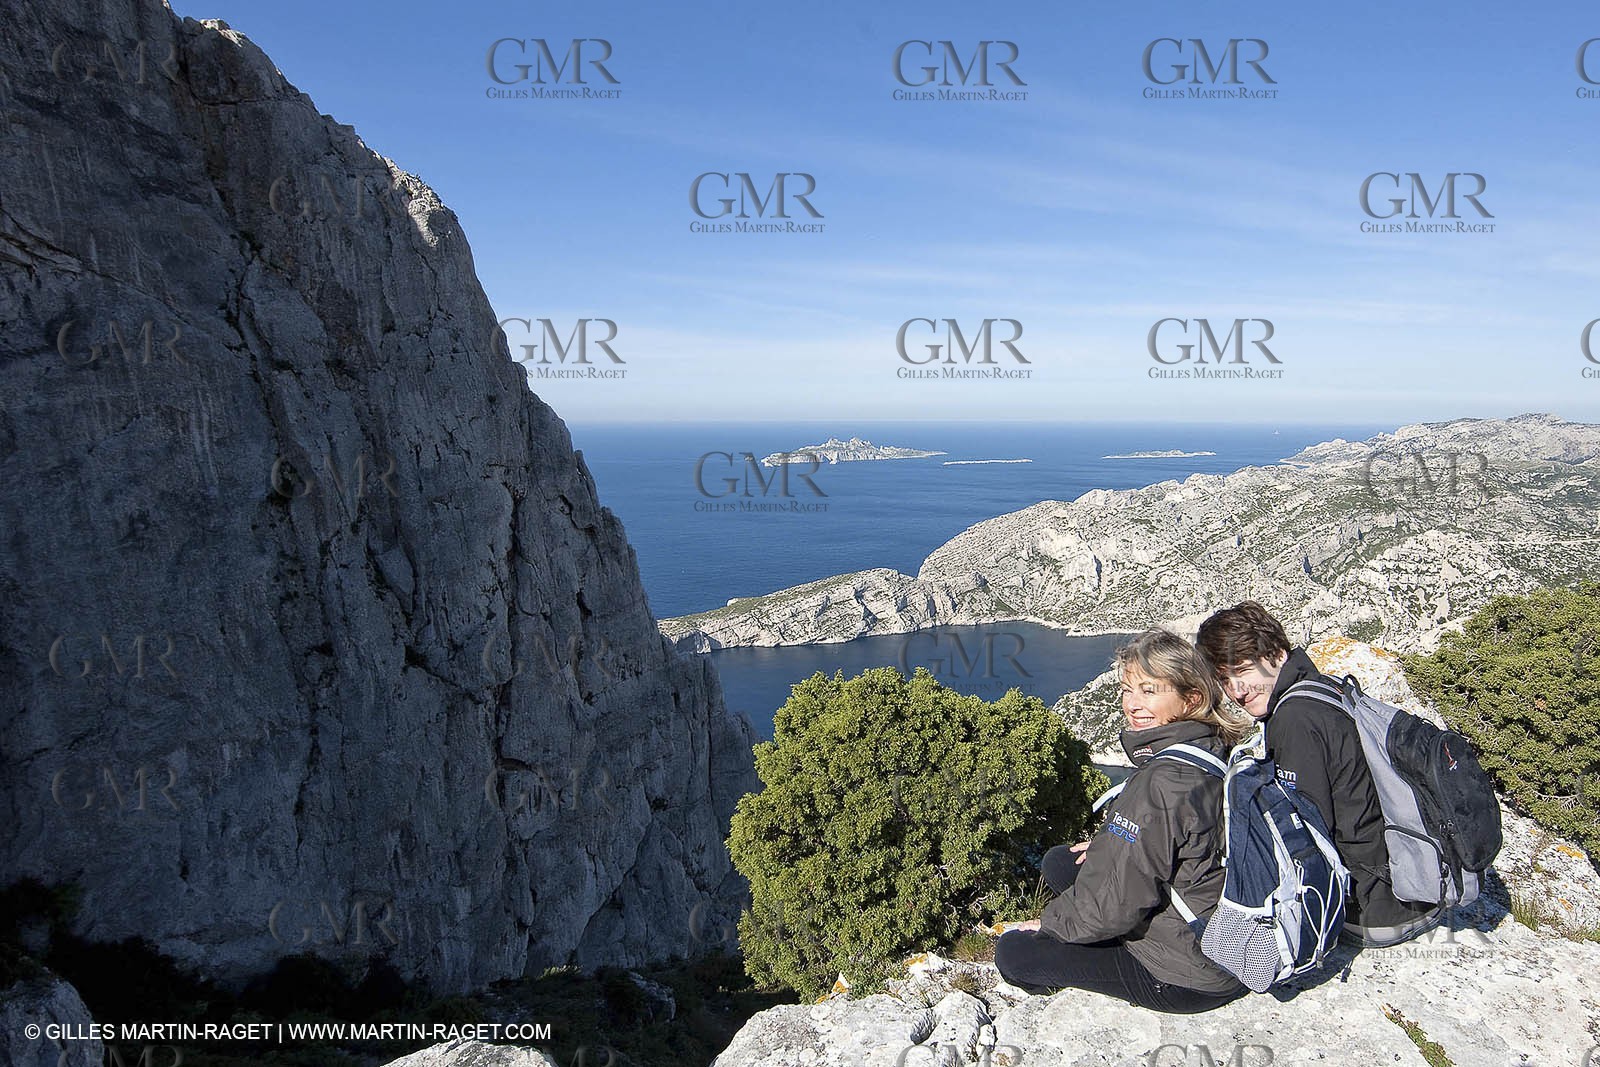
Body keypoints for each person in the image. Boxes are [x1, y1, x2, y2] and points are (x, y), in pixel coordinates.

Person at [994, 630, 1250, 1012]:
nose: (1132, 704)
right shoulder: (1215, 747)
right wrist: (1108, 846)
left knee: (1014, 953)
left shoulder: (1161, 782)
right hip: (1223, 932)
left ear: (1191, 698)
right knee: (1061, 862)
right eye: (1128, 690)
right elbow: (1178, 840)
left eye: (1149, 691)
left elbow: (1112, 905)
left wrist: (1050, 926)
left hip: (1186, 974)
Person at [1196, 601, 1441, 947]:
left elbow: (1304, 838)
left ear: (1276, 653)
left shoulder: (1295, 720)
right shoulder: (1321, 686)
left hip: (1375, 912)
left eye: (1243, 669)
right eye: (1225, 678)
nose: (1237, 690)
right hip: (1406, 890)